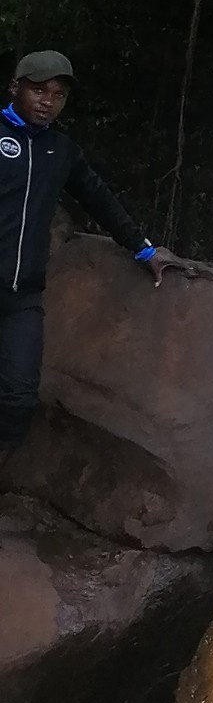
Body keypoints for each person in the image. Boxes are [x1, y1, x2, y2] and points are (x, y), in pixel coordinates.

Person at [0, 50, 172, 456]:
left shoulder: (61, 152)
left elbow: (99, 199)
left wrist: (143, 249)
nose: (48, 101)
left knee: (20, 396)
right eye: (38, 90)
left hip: (22, 297)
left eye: (58, 95)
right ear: (15, 88)